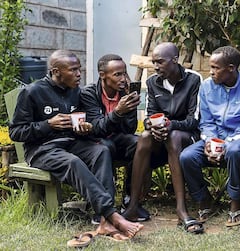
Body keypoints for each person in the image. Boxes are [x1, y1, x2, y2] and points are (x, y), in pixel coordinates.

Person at [8, 50, 143, 241]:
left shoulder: (75, 92)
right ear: (56, 71)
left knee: (101, 150)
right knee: (73, 162)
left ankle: (104, 221)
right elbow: (16, 132)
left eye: (79, 69)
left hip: (70, 142)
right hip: (41, 149)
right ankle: (112, 216)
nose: (79, 74)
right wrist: (48, 124)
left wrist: (84, 128)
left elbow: (81, 122)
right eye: (73, 70)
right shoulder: (32, 92)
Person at [121, 42, 203, 234]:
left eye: (160, 62)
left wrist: (169, 125)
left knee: (173, 136)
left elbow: (194, 120)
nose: (156, 67)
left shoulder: (194, 80)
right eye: (154, 62)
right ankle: (133, 206)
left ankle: (181, 210)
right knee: (144, 136)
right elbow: (150, 115)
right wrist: (151, 126)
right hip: (163, 135)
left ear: (175, 60)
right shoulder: (152, 82)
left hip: (187, 136)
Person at [180, 45, 240, 227]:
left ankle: (235, 202)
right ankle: (204, 199)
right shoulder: (207, 86)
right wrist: (211, 142)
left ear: (231, 68)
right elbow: (206, 120)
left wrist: (225, 144)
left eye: (216, 68)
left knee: (233, 151)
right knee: (187, 156)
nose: (211, 72)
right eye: (211, 67)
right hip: (213, 137)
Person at [80, 54, 151, 223]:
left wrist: (130, 108)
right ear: (102, 75)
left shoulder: (124, 93)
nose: (123, 79)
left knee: (138, 142)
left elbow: (129, 129)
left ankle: (130, 200)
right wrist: (118, 112)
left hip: (116, 140)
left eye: (124, 73)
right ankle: (104, 206)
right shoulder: (89, 93)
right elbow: (96, 128)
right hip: (96, 143)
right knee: (105, 146)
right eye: (117, 74)